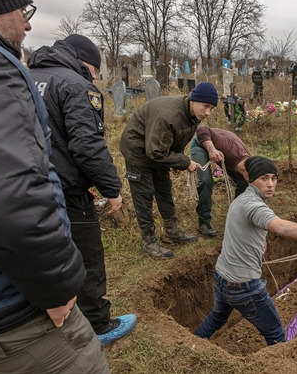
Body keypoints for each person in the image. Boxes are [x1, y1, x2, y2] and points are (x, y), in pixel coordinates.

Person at [0, 0, 108, 373]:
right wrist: (55, 289)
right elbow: (5, 206)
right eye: (23, 9)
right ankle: (100, 318)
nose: (28, 22)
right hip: (5, 311)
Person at [28, 34, 136, 346]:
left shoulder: (25, 75)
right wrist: (112, 189)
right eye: (94, 71)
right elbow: (87, 145)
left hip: (28, 187)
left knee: (44, 254)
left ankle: (48, 318)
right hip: (66, 191)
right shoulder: (76, 85)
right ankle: (99, 325)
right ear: (86, 64)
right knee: (87, 257)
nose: (94, 77)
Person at [194, 156, 297, 345]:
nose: (270, 184)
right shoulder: (253, 205)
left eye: (274, 178)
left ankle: (191, 347)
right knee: (276, 334)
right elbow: (282, 228)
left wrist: (257, 242)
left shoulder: (241, 199)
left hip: (221, 278)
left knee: (217, 318)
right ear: (251, 179)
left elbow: (238, 231)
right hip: (244, 286)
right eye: (264, 178)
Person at [120, 81, 218, 259]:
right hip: (138, 151)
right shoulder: (168, 115)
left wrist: (176, 161)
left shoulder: (193, 116)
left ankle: (171, 231)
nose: (207, 113)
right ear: (193, 100)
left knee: (164, 190)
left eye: (211, 108)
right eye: (205, 106)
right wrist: (184, 161)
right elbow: (154, 152)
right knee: (144, 196)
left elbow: (176, 140)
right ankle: (149, 242)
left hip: (157, 151)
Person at [189, 126, 251, 237]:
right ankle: (204, 221)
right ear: (246, 171)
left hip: (228, 151)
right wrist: (211, 149)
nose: (252, 180)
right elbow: (202, 129)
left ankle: (237, 217)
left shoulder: (250, 165)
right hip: (202, 143)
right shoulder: (229, 150)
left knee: (244, 184)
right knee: (206, 181)